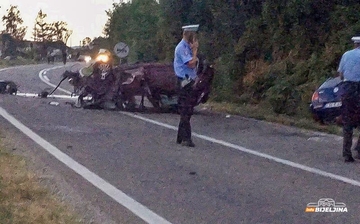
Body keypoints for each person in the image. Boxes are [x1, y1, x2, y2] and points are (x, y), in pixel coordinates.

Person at [174, 24, 200, 147]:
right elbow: (190, 63)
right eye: (193, 35)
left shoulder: (186, 47)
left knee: (188, 110)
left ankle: (180, 136)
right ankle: (186, 138)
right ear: (189, 34)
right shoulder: (182, 48)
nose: (195, 38)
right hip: (184, 82)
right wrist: (195, 51)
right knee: (186, 109)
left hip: (189, 81)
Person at [338, 35, 360, 162]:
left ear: (355, 44)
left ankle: (346, 153)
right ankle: (359, 149)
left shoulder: (346, 55)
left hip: (348, 89)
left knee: (348, 122)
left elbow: (341, 75)